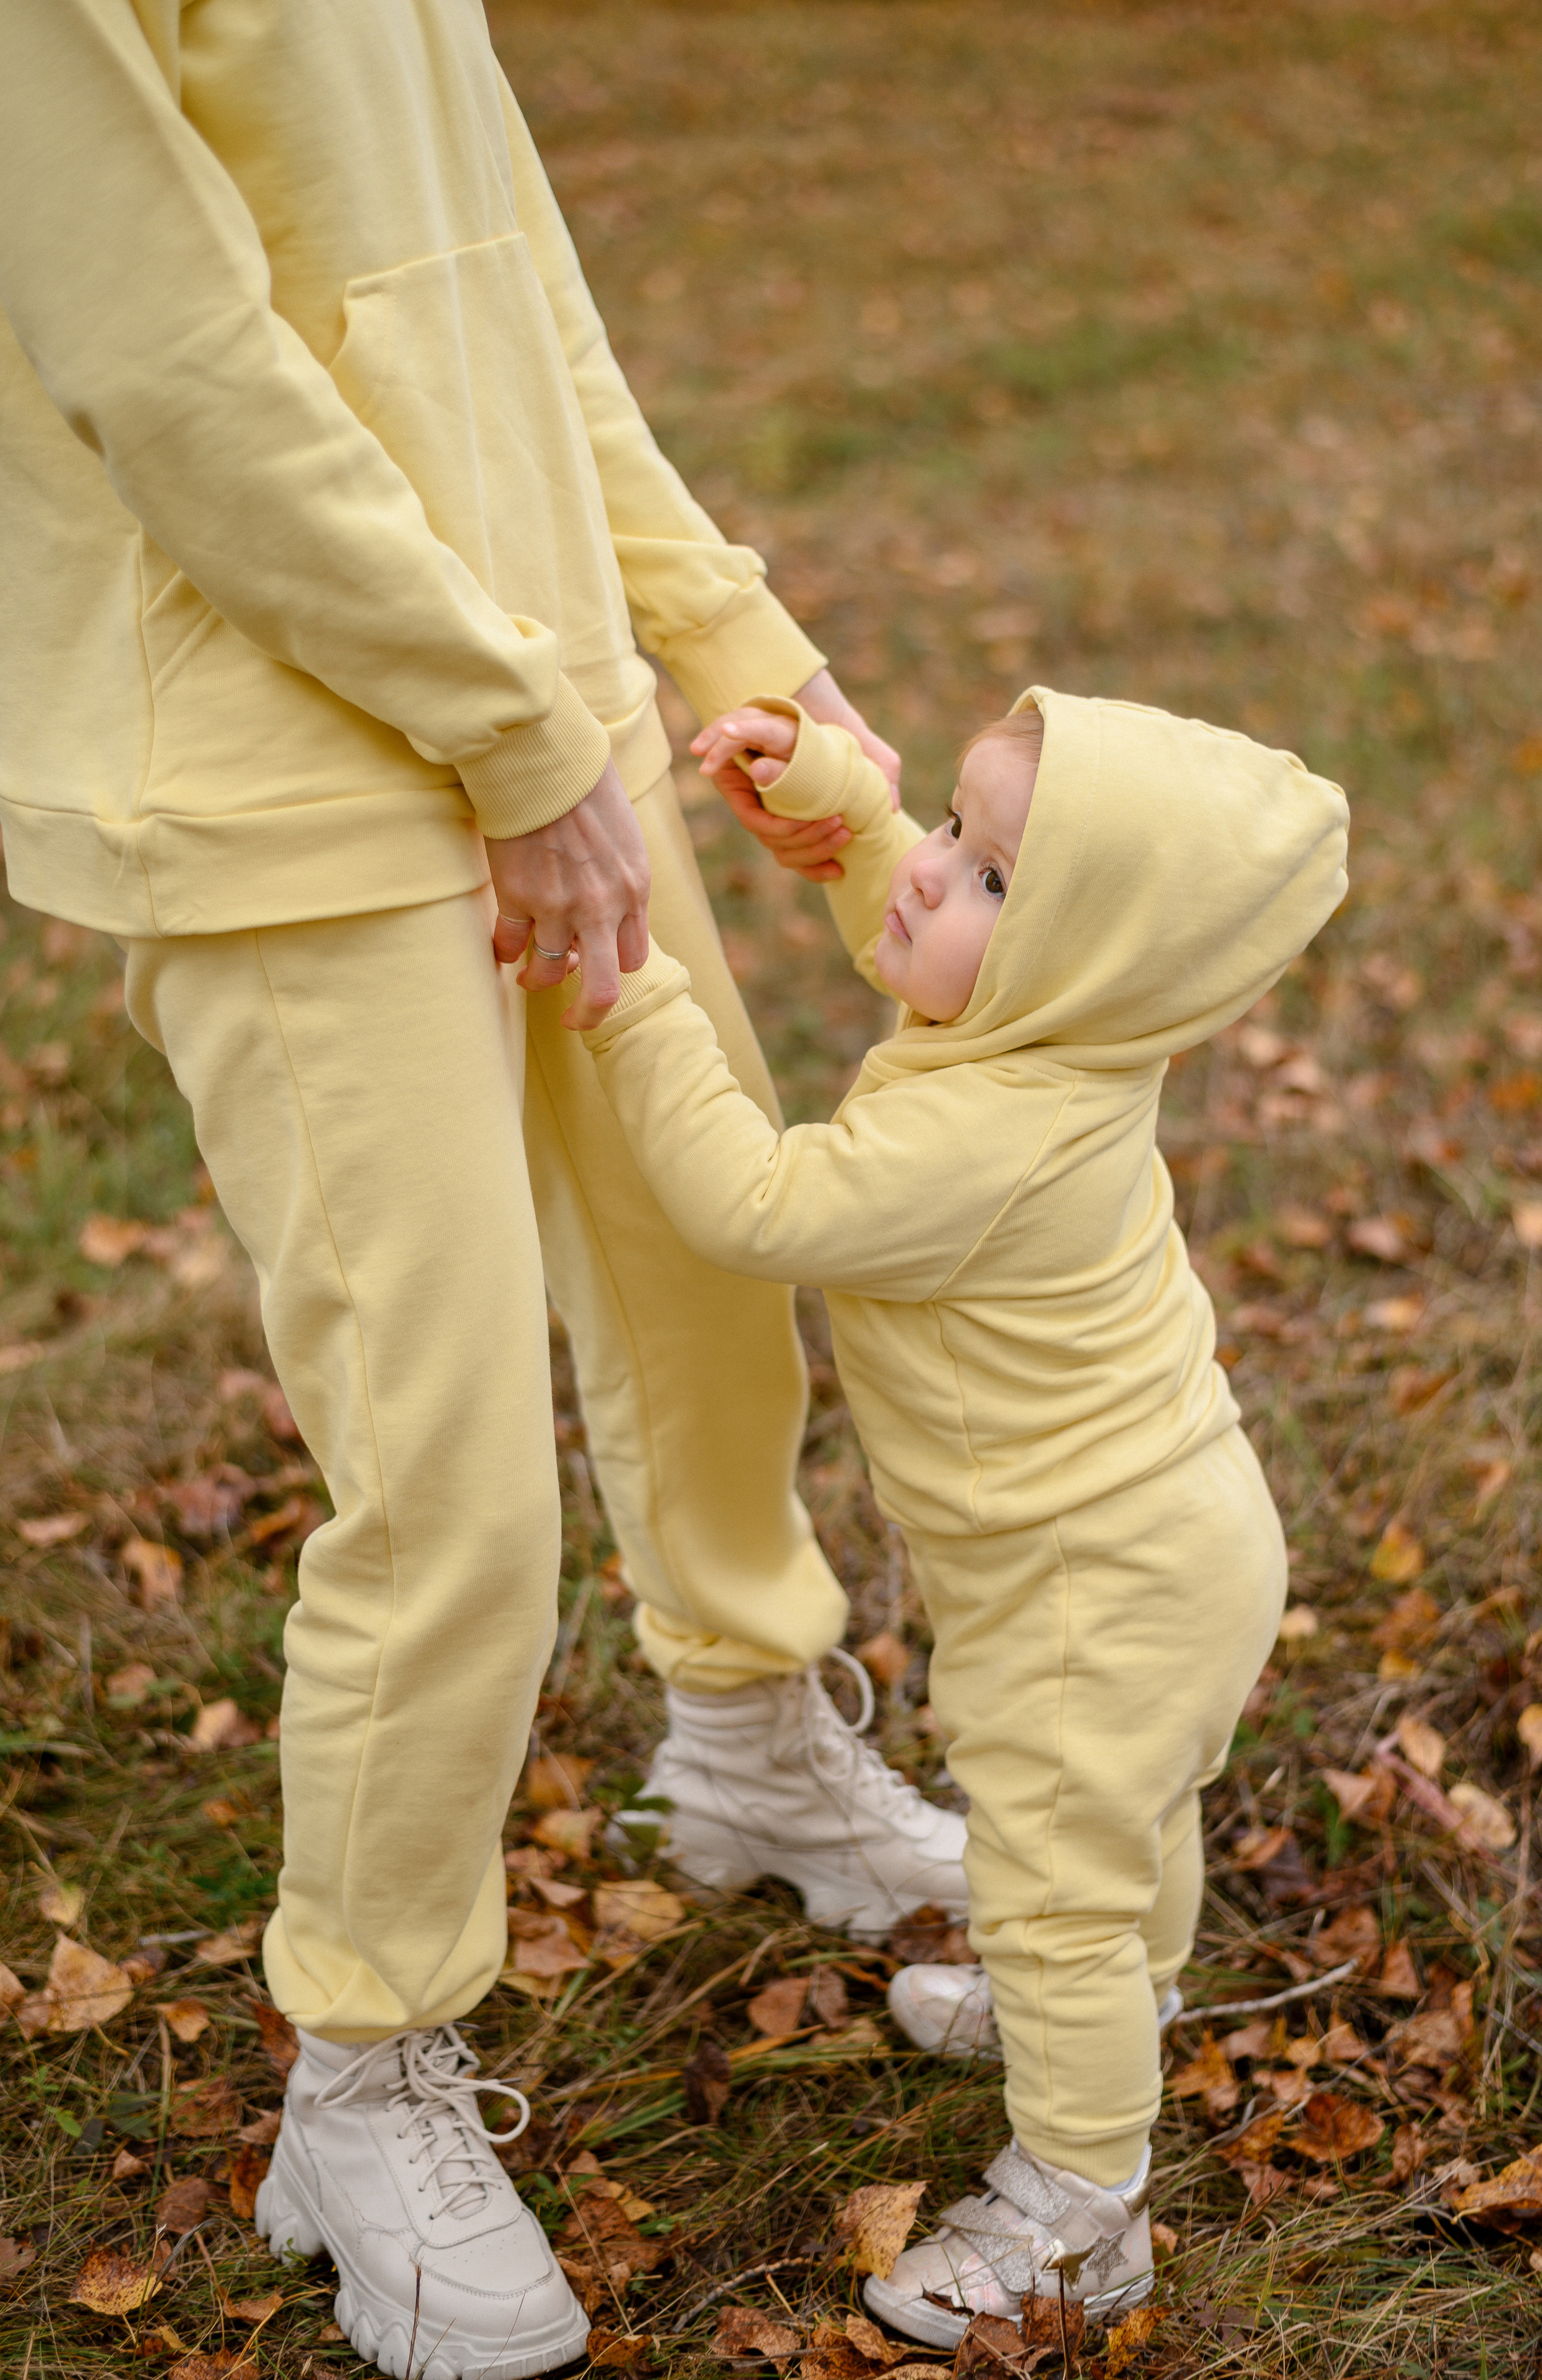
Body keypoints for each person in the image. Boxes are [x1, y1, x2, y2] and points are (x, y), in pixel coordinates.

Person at [0, 7, 967, 2376]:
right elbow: (164, 357)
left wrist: (738, 651)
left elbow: (509, 301)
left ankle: (745, 1739)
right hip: (291, 782)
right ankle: (362, 2074)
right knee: (446, 1488)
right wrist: (516, 732)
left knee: (707, 1280)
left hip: (548, 734)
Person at [575, 689, 1348, 2337]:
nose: (929, 877)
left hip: (1094, 1570)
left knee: (1062, 1855)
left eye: (987, 873)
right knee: (1119, 1825)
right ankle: (1105, 2004)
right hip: (1168, 1530)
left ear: (1075, 958)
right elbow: (927, 937)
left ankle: (1081, 2208)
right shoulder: (1054, 1038)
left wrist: (633, 988)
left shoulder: (986, 1130)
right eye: (952, 833)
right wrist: (856, 812)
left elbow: (755, 1201)